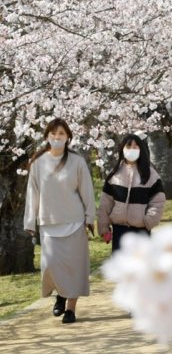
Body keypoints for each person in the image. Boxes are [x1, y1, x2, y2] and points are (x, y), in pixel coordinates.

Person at [23, 118, 96, 324]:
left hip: (74, 221)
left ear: (68, 137)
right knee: (51, 265)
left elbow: (87, 192)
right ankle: (60, 295)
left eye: (61, 134)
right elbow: (33, 193)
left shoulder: (77, 161)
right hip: (49, 223)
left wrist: (90, 217)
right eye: (53, 134)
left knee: (75, 267)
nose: (57, 138)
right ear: (47, 136)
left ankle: (71, 309)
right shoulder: (38, 163)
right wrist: (30, 221)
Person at [97, 134, 166, 253]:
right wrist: (104, 227)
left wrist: (149, 221)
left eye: (135, 147)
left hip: (141, 229)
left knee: (141, 268)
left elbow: (158, 200)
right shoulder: (115, 174)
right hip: (119, 230)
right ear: (122, 149)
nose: (132, 150)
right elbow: (105, 203)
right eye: (128, 146)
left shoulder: (150, 174)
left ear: (141, 149)